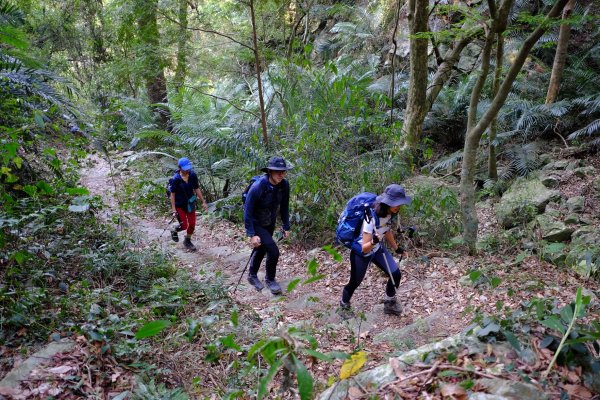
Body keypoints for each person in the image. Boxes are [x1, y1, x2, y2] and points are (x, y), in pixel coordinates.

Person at [339, 184, 411, 318]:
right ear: (387, 202)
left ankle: (389, 303)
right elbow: (364, 247)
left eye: (400, 203)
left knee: (395, 274)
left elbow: (386, 230)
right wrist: (374, 241)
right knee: (355, 282)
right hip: (362, 253)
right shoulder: (371, 218)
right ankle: (344, 304)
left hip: (377, 249)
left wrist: (397, 248)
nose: (398, 206)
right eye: (396, 203)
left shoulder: (390, 213)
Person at [243, 156, 291, 294]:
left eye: (283, 171)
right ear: (270, 171)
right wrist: (251, 234)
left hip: (270, 221)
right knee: (273, 251)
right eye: (278, 172)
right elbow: (248, 211)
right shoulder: (258, 187)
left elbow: (284, 207)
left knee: (262, 248)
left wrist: (286, 226)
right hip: (256, 222)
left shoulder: (284, 185)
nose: (281, 174)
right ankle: (270, 279)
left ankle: (252, 275)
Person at [169, 157, 208, 251]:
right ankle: (174, 230)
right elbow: (172, 195)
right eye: (185, 168)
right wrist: (174, 210)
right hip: (179, 205)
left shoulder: (192, 175)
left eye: (188, 168)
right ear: (180, 168)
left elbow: (196, 188)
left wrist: (203, 201)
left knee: (192, 224)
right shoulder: (175, 179)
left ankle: (187, 240)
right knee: (184, 225)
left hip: (190, 203)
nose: (187, 170)